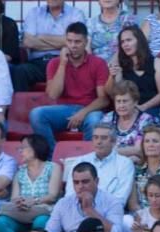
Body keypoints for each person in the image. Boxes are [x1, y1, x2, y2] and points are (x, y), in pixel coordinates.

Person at [29, 22, 109, 151]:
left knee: (95, 120)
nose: (73, 46)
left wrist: (82, 113)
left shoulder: (98, 63)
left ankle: (87, 159)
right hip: (64, 110)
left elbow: (103, 99)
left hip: (89, 109)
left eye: (77, 42)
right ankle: (53, 156)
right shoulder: (55, 63)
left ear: (86, 42)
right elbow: (53, 95)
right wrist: (62, 64)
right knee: (36, 114)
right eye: (69, 41)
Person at [0, 134, 62, 232]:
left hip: (43, 212)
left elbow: (53, 195)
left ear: (35, 148)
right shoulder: (20, 172)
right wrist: (19, 202)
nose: (20, 151)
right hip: (22, 214)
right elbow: (14, 197)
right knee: (1, 222)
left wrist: (34, 201)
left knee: (40, 222)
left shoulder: (53, 167)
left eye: (23, 148)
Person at [46, 162, 127, 232]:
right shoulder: (63, 204)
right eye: (76, 182)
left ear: (96, 181)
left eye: (85, 182)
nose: (80, 186)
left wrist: (89, 210)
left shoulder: (112, 202)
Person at [13, 0, 88, 92]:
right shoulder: (34, 13)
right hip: (38, 63)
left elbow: (76, 41)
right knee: (20, 71)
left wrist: (41, 37)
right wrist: (62, 42)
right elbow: (28, 42)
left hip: (64, 60)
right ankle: (22, 106)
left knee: (76, 72)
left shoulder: (76, 14)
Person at [63, 122, 135, 202]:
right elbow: (70, 194)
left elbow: (120, 199)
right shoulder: (80, 161)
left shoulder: (125, 163)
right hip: (78, 209)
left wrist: (94, 209)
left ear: (113, 142)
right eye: (95, 137)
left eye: (103, 138)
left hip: (109, 211)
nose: (98, 142)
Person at [107, 25, 160, 117]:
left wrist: (144, 107)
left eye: (129, 40)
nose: (125, 44)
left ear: (139, 41)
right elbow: (111, 93)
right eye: (122, 42)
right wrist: (111, 77)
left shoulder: (158, 63)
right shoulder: (122, 66)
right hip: (127, 110)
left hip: (152, 109)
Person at [101, 82, 155, 158]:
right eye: (118, 101)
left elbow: (140, 150)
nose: (121, 105)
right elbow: (101, 145)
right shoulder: (108, 118)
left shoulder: (146, 120)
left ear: (135, 102)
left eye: (125, 101)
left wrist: (111, 151)